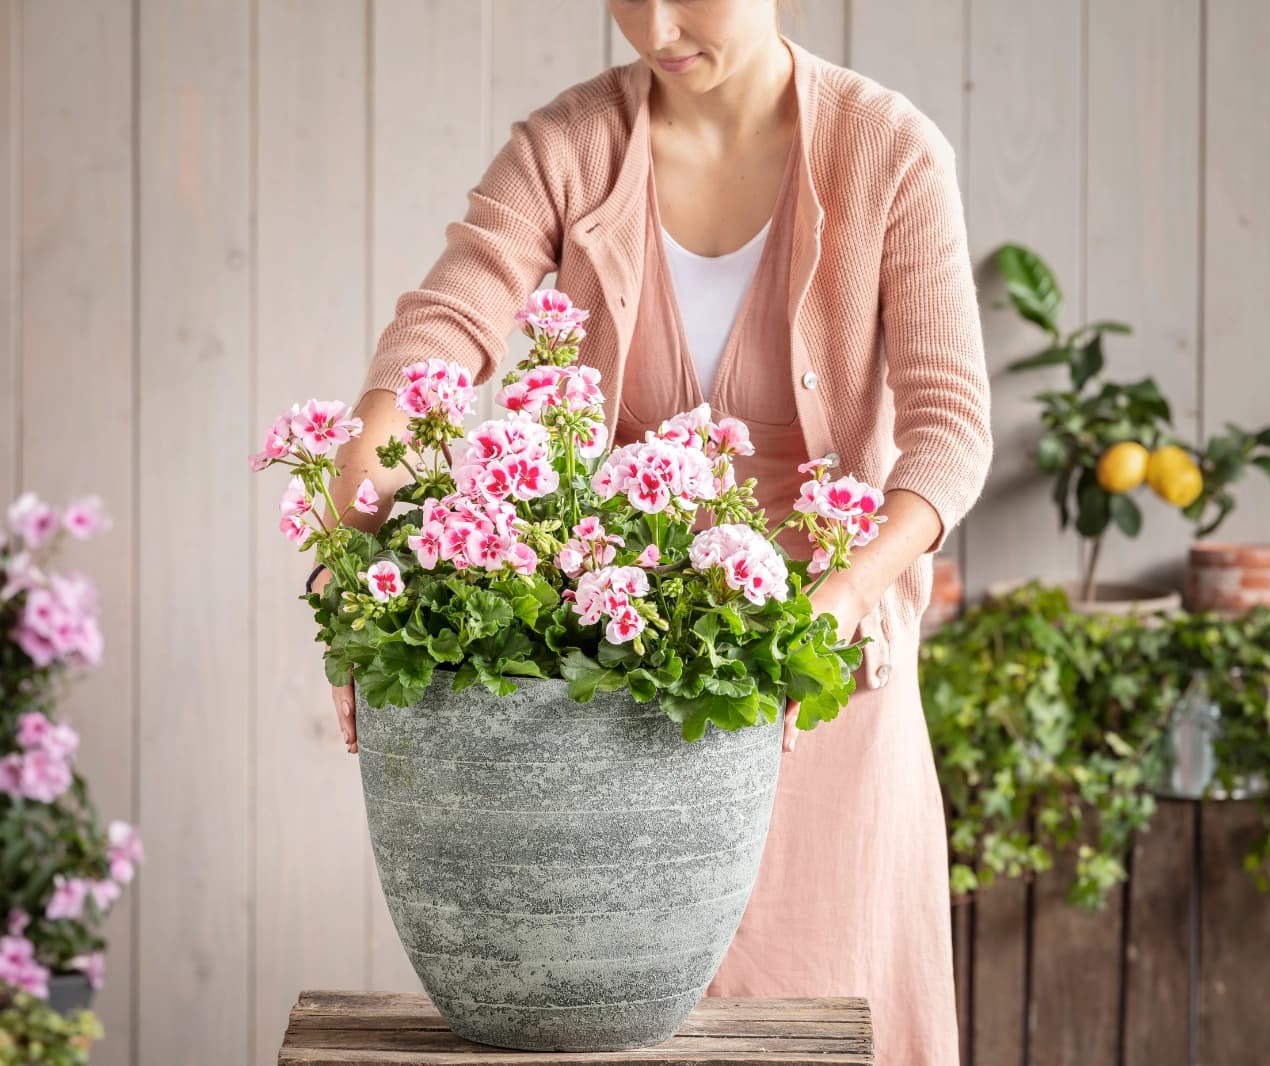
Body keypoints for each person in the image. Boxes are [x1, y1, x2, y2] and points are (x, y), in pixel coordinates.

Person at [309, 1, 991, 1061]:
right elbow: (437, 335)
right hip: (623, 692)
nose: (657, 22)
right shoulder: (566, 149)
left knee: (828, 1006)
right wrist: (349, 578)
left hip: (827, 683)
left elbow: (949, 437)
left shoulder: (889, 151)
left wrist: (840, 599)